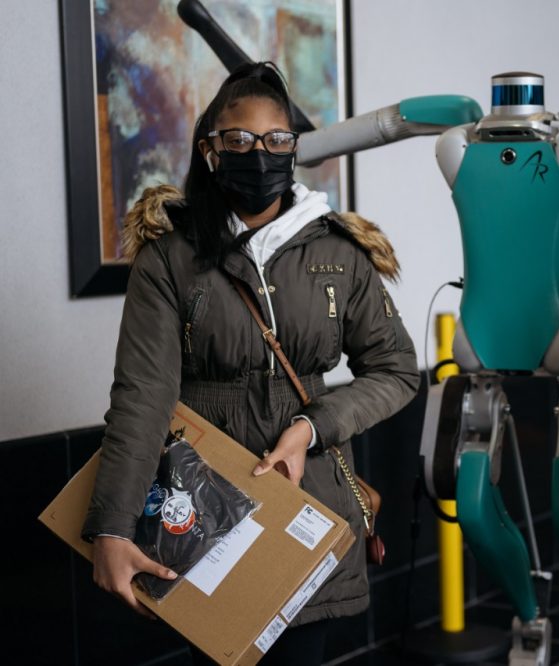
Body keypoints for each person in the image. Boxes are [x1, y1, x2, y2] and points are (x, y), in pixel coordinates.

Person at [82, 62, 419, 663]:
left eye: (276, 141)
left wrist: (312, 425)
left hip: (306, 499)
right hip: (205, 503)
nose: (257, 154)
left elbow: (396, 368)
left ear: (293, 151)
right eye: (238, 140)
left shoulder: (339, 252)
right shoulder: (170, 258)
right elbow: (142, 395)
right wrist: (111, 527)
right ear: (210, 150)